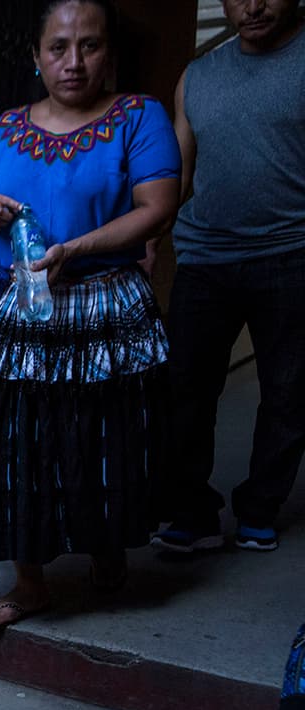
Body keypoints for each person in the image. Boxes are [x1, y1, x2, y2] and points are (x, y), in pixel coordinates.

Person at [0, 0, 181, 628]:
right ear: (36, 55)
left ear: (108, 53)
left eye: (89, 45)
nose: (73, 61)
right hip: (22, 306)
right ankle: (30, 582)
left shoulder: (138, 116)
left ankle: (107, 552)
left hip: (104, 302)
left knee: (104, 432)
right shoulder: (7, 128)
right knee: (16, 438)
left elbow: (156, 206)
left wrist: (75, 248)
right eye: (58, 47)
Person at [151, 0, 305, 554]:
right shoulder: (199, 76)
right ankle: (193, 510)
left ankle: (260, 508)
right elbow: (179, 174)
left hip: (293, 254)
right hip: (205, 258)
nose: (253, 6)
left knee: (288, 393)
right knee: (184, 389)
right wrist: (148, 239)